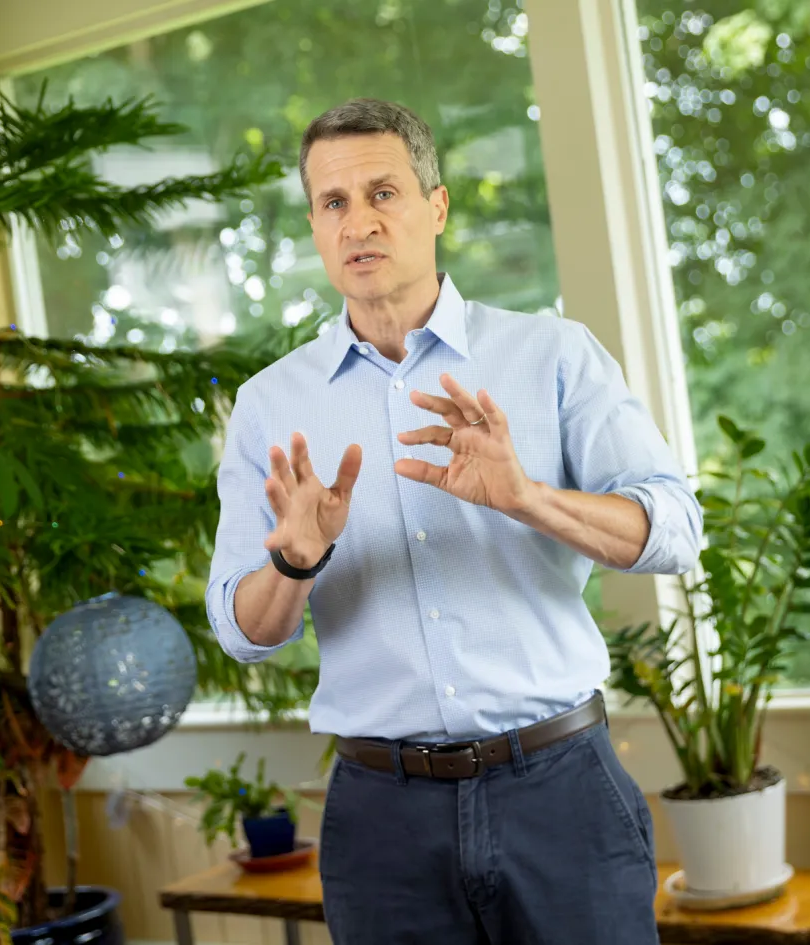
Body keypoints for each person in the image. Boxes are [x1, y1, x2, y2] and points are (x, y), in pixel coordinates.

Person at [204, 98, 703, 945]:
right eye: (333, 202)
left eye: (382, 193)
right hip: (382, 820)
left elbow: (675, 529)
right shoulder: (269, 406)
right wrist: (292, 561)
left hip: (562, 791)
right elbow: (242, 631)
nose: (358, 222)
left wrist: (528, 498)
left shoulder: (553, 354)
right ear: (316, 226)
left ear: (436, 206)